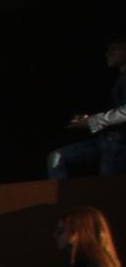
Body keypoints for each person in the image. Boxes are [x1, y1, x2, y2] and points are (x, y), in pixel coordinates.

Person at [46, 36, 126, 180]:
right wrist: (87, 119)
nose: (108, 53)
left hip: (118, 145)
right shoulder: (120, 78)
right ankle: (64, 200)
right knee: (56, 158)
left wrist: (91, 122)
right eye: (108, 50)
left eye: (115, 49)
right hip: (106, 140)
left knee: (107, 191)